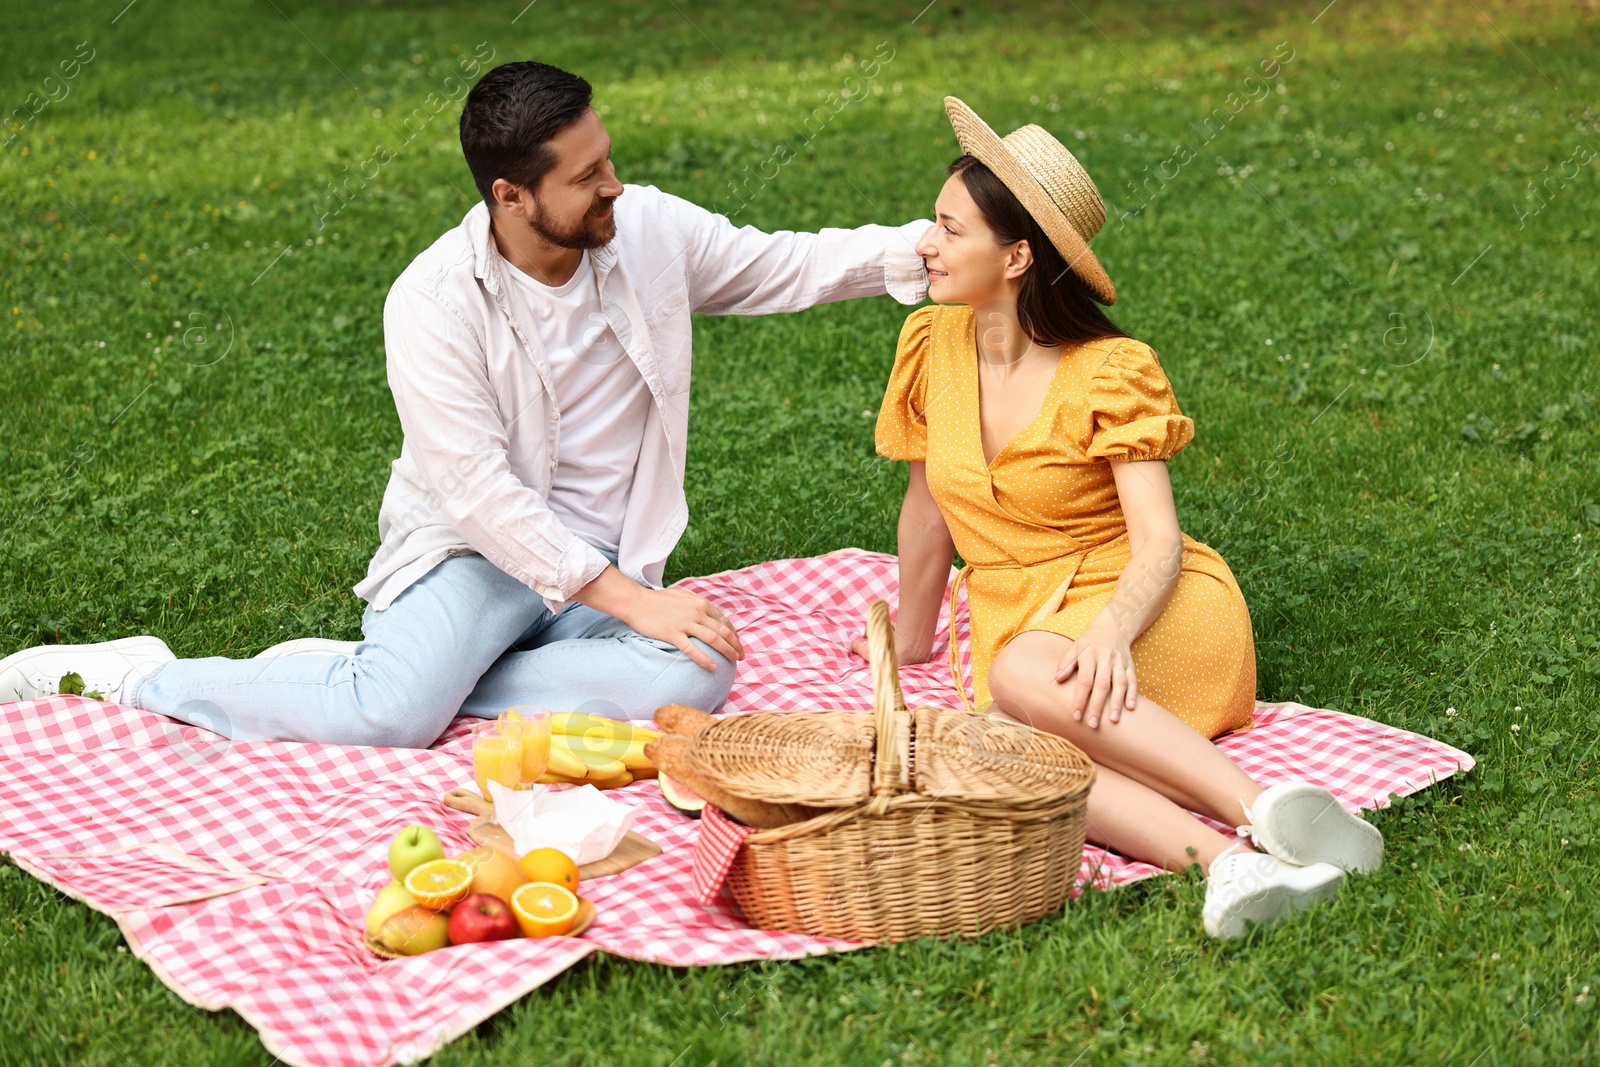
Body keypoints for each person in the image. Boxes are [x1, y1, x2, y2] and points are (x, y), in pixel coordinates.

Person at [0, 61, 930, 748]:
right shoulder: (433, 299)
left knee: (699, 664)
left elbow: (787, 265)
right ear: (511, 194)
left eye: (608, 158)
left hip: (604, 555)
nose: (614, 185)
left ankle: (402, 674)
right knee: (391, 720)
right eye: (585, 176)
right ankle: (145, 676)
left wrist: (935, 249)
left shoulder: (646, 229)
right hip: (479, 556)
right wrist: (629, 606)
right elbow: (479, 494)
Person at [853, 97, 1383, 939]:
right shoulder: (930, 344)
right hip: (1026, 621)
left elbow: (1160, 541)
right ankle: (1232, 866)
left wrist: (1107, 632)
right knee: (999, 751)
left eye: (951, 230)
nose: (926, 244)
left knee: (1023, 676)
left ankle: (1264, 805)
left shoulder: (1111, 371)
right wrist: (914, 635)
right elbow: (926, 510)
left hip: (1156, 606)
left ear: (1017, 254)